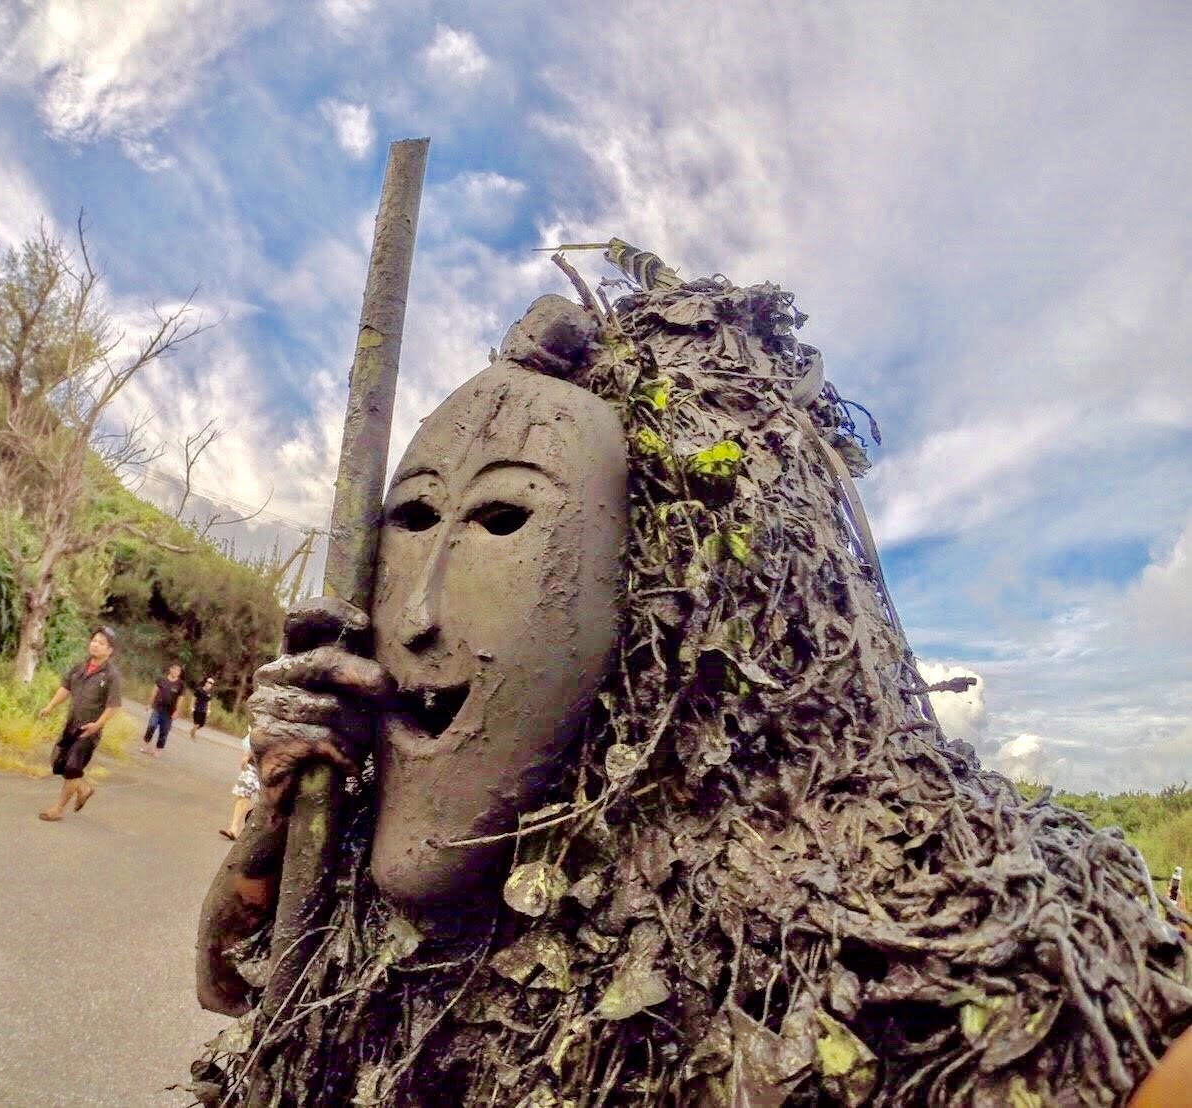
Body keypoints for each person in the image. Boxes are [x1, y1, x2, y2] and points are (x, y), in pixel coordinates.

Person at [195, 286, 1191, 1104]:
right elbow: (233, 984)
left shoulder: (922, 958)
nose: (416, 613)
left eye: (504, 521)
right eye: (411, 519)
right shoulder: (413, 866)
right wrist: (291, 816)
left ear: (672, 607)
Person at [36, 626, 121, 822]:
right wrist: (50, 707)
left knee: (72, 768)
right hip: (71, 724)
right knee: (58, 763)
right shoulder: (79, 667)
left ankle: (57, 809)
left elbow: (114, 706)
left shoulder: (111, 676)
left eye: (101, 643)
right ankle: (83, 788)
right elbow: (66, 688)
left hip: (88, 730)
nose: (95, 644)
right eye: (94, 640)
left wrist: (97, 726)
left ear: (110, 650)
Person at [140, 663, 186, 757]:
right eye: (175, 669)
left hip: (169, 712)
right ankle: (145, 745)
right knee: (151, 726)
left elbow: (180, 699)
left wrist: (177, 711)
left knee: (164, 731)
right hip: (158, 708)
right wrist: (149, 703)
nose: (176, 672)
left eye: (178, 671)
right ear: (170, 669)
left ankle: (158, 750)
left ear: (179, 673)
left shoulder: (180, 685)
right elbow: (154, 692)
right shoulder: (161, 679)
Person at [218, 732, 258, 841]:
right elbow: (257, 735)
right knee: (244, 792)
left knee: (269, 802)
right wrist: (247, 755)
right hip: (254, 764)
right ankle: (233, 829)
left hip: (275, 766)